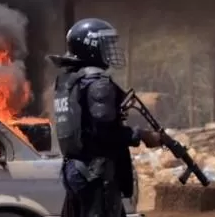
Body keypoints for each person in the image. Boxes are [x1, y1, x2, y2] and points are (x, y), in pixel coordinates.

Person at [50, 18, 163, 217]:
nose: (111, 50)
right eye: (106, 44)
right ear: (91, 46)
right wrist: (142, 135)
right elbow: (105, 132)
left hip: (75, 170)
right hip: (96, 174)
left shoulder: (68, 81)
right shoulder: (97, 83)